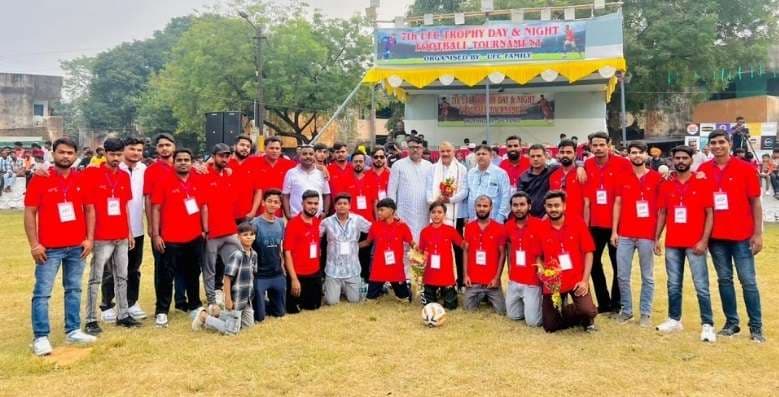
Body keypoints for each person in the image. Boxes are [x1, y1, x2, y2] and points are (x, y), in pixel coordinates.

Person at [24, 137, 97, 355]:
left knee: (74, 289)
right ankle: (41, 336)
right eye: (61, 152)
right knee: (42, 292)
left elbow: (90, 209)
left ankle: (73, 329)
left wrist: (89, 239)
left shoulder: (81, 178)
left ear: (75, 155)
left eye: (69, 153)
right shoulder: (41, 178)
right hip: (49, 248)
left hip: (77, 246)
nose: (65, 156)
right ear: (53, 154)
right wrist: (34, 244)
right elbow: (30, 212)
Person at [698, 130, 765, 342]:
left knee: (748, 281)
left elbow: (755, 202)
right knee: (724, 280)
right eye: (714, 143)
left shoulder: (745, 168)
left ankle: (755, 327)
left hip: (742, 236)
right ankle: (731, 323)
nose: (717, 146)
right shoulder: (703, 169)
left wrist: (758, 234)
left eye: (721, 142)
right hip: (717, 237)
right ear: (709, 146)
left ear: (729, 144)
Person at [654, 145, 716, 342]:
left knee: (701, 285)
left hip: (695, 243)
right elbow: (662, 213)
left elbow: (709, 214)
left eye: (684, 158)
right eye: (677, 158)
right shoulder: (667, 183)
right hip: (673, 242)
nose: (681, 161)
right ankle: (674, 319)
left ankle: (707, 324)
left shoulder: (701, 181)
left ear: (691, 159)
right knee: (673, 284)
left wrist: (704, 241)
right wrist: (657, 238)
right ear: (672, 160)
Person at [82, 137, 142, 335]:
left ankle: (123, 314)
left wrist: (130, 232)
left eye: (119, 154)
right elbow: (88, 206)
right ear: (105, 153)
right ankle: (91, 319)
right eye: (112, 154)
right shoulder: (93, 173)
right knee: (96, 278)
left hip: (121, 235)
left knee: (122, 276)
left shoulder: (124, 176)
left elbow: (125, 205)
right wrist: (89, 237)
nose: (116, 158)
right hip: (101, 236)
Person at [151, 149, 207, 327]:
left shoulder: (198, 180)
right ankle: (161, 312)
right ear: (173, 162)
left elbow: (204, 206)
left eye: (187, 160)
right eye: (180, 160)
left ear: (191, 162)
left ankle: (195, 305)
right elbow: (156, 209)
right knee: (165, 277)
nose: (183, 163)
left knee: (193, 273)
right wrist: (156, 234)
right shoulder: (163, 181)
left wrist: (204, 229)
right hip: (170, 238)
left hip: (194, 236)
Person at [610, 141, 662, 326]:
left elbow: (662, 210)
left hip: (647, 235)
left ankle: (646, 313)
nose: (637, 155)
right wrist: (614, 231)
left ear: (646, 155)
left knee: (647, 276)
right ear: (628, 155)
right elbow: (617, 203)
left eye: (640, 152)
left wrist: (657, 237)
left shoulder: (657, 178)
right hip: (625, 233)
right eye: (633, 152)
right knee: (622, 275)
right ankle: (627, 310)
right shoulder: (622, 176)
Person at [583, 131, 631, 315]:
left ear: (609, 145)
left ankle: (617, 303)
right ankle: (604, 303)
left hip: (617, 225)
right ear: (590, 146)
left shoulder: (622, 163)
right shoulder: (587, 164)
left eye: (602, 144)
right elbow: (586, 199)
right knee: (593, 262)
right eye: (595, 145)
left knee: (619, 264)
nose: (598, 148)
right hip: (595, 224)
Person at [100, 137, 148, 322]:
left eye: (139, 150)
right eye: (131, 149)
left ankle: (131, 302)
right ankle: (107, 305)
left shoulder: (144, 170)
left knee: (134, 268)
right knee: (110, 269)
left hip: (137, 228)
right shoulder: (111, 168)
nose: (136, 153)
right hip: (112, 230)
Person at [536, 191, 598, 333]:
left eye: (557, 205)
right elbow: (538, 256)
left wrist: (584, 280)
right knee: (550, 326)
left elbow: (589, 252)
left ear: (564, 206)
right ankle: (567, 312)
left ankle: (587, 313)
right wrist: (541, 271)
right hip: (554, 282)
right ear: (545, 207)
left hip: (576, 279)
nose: (553, 209)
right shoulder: (541, 228)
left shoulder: (577, 222)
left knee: (588, 311)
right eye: (549, 206)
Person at [192, 222, 257, 335]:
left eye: (251, 234)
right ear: (238, 237)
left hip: (247, 300)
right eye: (245, 234)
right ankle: (204, 317)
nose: (249, 237)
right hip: (235, 298)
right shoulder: (236, 256)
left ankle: (217, 315)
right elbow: (227, 278)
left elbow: (252, 276)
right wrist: (228, 299)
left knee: (247, 327)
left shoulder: (254, 255)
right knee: (231, 331)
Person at [203, 144, 241, 311]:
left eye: (227, 156)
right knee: (210, 268)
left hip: (230, 230)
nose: (224, 159)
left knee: (235, 264)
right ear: (213, 156)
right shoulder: (203, 174)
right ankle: (211, 300)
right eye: (221, 156)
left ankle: (234, 296)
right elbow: (202, 204)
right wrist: (204, 228)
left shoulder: (229, 174)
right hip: (212, 232)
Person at [320, 193, 371, 305]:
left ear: (349, 206)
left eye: (345, 203)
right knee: (331, 302)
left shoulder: (358, 220)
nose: (342, 206)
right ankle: (328, 287)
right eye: (339, 204)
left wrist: (365, 243)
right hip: (333, 270)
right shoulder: (326, 222)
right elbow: (314, 235)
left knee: (355, 300)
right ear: (335, 206)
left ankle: (351, 286)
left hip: (352, 269)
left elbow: (373, 229)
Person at [360, 198, 414, 301]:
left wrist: (419, 250)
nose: (378, 213)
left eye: (381, 210)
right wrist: (352, 245)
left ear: (392, 210)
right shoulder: (375, 226)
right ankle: (380, 289)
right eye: (378, 210)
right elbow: (367, 242)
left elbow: (411, 243)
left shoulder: (402, 226)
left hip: (396, 268)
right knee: (370, 300)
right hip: (378, 268)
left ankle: (406, 291)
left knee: (404, 299)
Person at [462, 195, 507, 314]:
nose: (482, 209)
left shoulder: (500, 228)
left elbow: (503, 254)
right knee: (467, 309)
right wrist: (466, 275)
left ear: (491, 207)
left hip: (491, 282)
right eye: (479, 206)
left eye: (485, 206)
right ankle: (482, 295)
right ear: (475, 207)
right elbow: (466, 251)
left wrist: (497, 278)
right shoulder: (469, 227)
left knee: (502, 311)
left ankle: (486, 295)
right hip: (474, 281)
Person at [504, 192, 543, 327]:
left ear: (529, 206)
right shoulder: (508, 226)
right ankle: (528, 304)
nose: (519, 208)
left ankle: (542, 303)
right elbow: (509, 248)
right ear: (511, 208)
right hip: (515, 279)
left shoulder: (539, 225)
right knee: (513, 316)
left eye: (522, 204)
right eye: (515, 205)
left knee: (533, 322)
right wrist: (510, 271)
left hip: (533, 281)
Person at [418, 202, 464, 309]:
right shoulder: (424, 232)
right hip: (430, 276)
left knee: (450, 306)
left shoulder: (450, 230)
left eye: (439, 212)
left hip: (446, 276)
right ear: (430, 214)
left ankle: (446, 290)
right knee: (428, 305)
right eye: (433, 212)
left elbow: (463, 245)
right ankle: (434, 291)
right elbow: (420, 253)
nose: (436, 215)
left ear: (444, 214)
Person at [284, 190, 323, 313]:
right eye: (309, 203)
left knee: (314, 307)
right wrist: (294, 279)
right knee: (293, 310)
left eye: (316, 204)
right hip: (298, 274)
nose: (313, 206)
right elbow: (287, 252)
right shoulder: (293, 224)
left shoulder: (317, 222)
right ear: (302, 203)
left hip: (314, 272)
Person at [388, 136, 433, 242]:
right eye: (412, 147)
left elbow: (432, 188)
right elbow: (391, 190)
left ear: (423, 149)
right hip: (404, 212)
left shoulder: (430, 166)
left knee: (422, 241)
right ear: (407, 149)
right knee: (405, 241)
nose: (415, 150)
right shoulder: (398, 165)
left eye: (418, 147)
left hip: (424, 211)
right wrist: (392, 210)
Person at [251, 189, 287, 322]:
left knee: (280, 313)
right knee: (260, 317)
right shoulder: (255, 224)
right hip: (259, 274)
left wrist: (282, 266)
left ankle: (267, 301)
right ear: (263, 203)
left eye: (276, 202)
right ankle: (256, 302)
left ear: (280, 205)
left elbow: (280, 247)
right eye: (270, 201)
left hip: (276, 273)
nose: (273, 204)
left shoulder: (280, 223)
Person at [347, 151, 377, 282]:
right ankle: (351, 278)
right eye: (356, 161)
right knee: (351, 251)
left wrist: (376, 221)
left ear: (365, 163)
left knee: (365, 252)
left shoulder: (371, 178)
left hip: (367, 223)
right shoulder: (345, 179)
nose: (358, 164)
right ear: (351, 163)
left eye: (361, 161)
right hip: (351, 223)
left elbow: (375, 202)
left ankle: (365, 278)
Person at [282, 145, 331, 219]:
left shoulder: (321, 173)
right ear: (299, 156)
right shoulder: (291, 173)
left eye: (311, 154)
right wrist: (288, 215)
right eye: (304, 154)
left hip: (317, 218)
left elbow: (326, 194)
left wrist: (324, 212)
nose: (308, 156)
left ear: (314, 156)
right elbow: (285, 195)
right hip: (296, 218)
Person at [466, 144, 510, 222]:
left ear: (490, 156)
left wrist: (500, 217)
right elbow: (469, 195)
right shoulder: (470, 173)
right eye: (478, 154)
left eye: (484, 154)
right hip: (474, 219)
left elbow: (506, 196)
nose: (481, 156)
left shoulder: (500, 173)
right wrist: (469, 217)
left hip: (494, 219)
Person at [227, 135, 262, 222]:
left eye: (248, 146)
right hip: (227, 216)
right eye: (242, 145)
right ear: (234, 147)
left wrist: (253, 212)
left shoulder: (254, 166)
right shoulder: (225, 164)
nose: (245, 148)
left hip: (247, 216)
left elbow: (258, 191)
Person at [549, 139, 586, 219]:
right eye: (562, 152)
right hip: (559, 221)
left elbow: (587, 203)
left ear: (575, 154)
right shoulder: (553, 176)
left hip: (578, 221)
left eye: (568, 152)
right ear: (558, 154)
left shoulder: (582, 174)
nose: (565, 155)